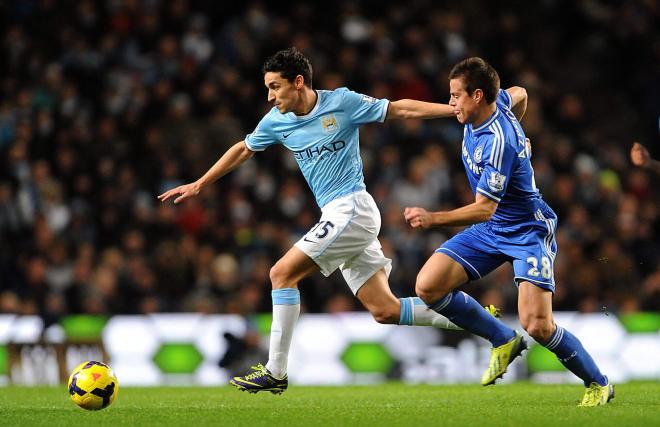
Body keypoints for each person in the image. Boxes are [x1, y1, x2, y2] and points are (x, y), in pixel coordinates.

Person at [158, 47, 497, 394]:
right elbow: (243, 149)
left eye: (276, 87)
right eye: (268, 88)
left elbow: (399, 109)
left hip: (352, 208)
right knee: (385, 310)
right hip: (339, 216)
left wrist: (454, 109)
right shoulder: (276, 120)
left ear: (299, 82)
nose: (270, 96)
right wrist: (200, 183)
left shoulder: (342, 103)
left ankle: (276, 370)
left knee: (281, 273)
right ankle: (480, 320)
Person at [403, 57, 614, 407]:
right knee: (428, 286)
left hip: (527, 230)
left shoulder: (497, 141)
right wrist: (523, 132)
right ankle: (502, 337)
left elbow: (485, 207)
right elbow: (521, 93)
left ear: (478, 95)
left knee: (538, 325)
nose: (451, 103)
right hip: (492, 229)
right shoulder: (495, 104)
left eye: (456, 96)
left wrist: (432, 218)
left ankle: (599, 383)